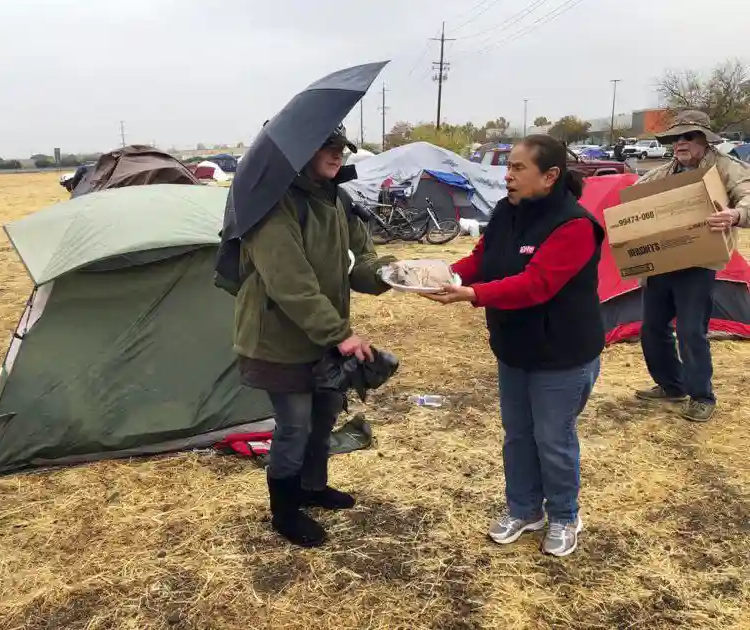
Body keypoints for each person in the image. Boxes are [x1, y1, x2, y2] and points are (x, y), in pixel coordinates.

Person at [423, 135, 604, 557]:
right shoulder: (507, 212)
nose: (507, 176)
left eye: (518, 168)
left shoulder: (575, 225)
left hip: (562, 354)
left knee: (553, 438)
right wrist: (444, 272)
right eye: (508, 167)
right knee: (518, 435)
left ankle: (563, 514)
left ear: (550, 175)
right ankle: (525, 509)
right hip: (514, 348)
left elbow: (537, 284)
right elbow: (482, 258)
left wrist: (472, 294)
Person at [234, 126, 394, 548]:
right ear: (301, 150)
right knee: (295, 427)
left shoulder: (337, 198)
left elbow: (363, 263)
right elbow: (291, 283)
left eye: (342, 146)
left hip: (323, 336)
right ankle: (284, 511)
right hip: (278, 339)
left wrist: (391, 273)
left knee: (324, 418)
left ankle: (312, 487)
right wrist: (340, 333)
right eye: (328, 146)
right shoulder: (272, 205)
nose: (339, 153)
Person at [633, 111, 750, 422]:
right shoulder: (662, 174)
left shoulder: (726, 168)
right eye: (676, 138)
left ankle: (701, 395)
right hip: (661, 261)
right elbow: (633, 198)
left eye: (688, 137)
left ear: (704, 140)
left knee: (690, 331)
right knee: (653, 328)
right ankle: (672, 385)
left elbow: (747, 197)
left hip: (699, 262)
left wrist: (736, 215)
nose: (680, 143)